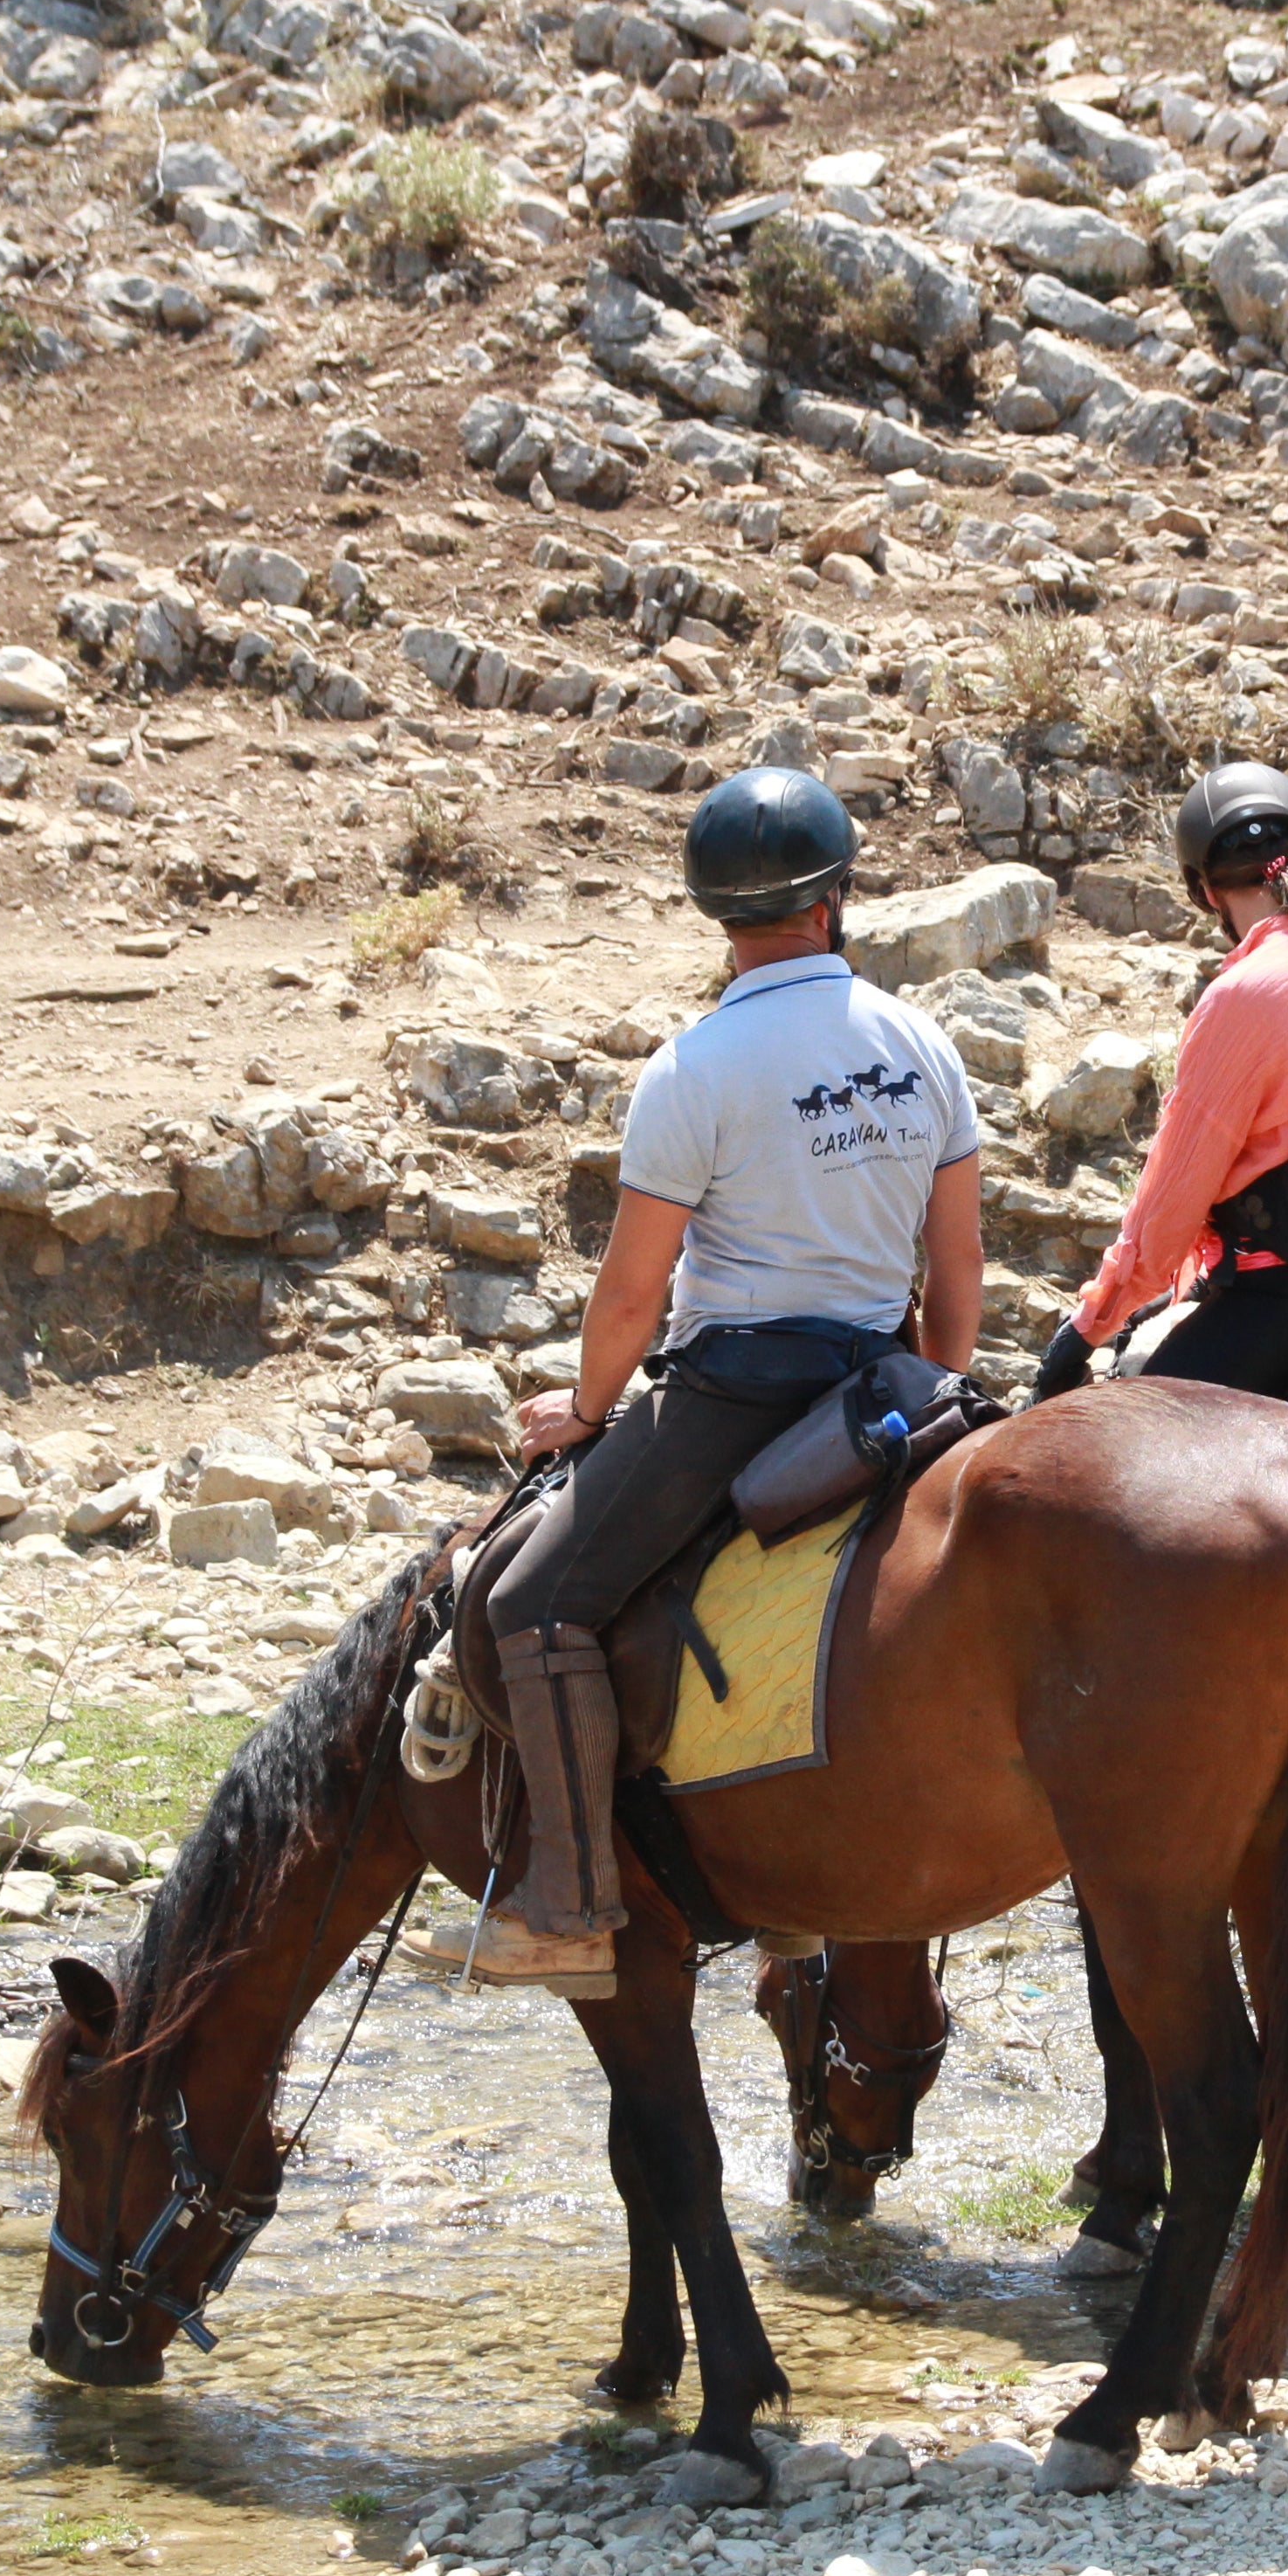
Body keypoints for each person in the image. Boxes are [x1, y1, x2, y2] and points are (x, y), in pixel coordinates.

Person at [421, 767, 983, 1997]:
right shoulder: (922, 1044)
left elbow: (632, 1293)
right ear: (835, 899)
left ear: (714, 913)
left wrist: (587, 1407)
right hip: (883, 1384)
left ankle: (570, 1900)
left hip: (736, 1393)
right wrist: (930, 1398)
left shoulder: (696, 1066)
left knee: (533, 1605)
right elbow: (957, 1281)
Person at [1033, 761, 1288, 1401]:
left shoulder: (1242, 995)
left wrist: (1090, 1323)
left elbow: (1176, 1190)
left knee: (1129, 1454)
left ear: (1204, 890)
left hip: (1287, 1291)